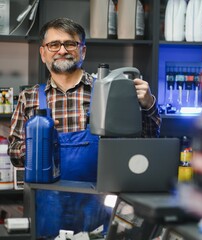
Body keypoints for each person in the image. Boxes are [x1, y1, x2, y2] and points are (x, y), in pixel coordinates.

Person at [7, 17, 161, 238]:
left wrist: (147, 104)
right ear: (43, 53)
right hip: (46, 206)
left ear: (83, 51)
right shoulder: (28, 97)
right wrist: (42, 143)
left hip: (98, 206)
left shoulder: (107, 91)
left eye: (70, 44)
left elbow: (145, 141)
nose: (62, 50)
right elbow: (14, 153)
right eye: (54, 44)